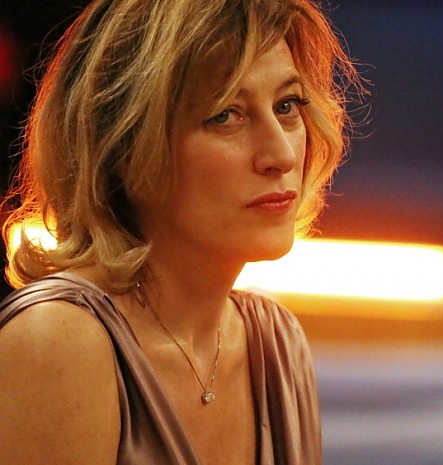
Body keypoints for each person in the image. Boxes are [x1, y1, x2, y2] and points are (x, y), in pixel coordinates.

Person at [0, 0, 360, 463]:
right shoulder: (58, 341)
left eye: (287, 106)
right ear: (125, 144)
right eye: (225, 114)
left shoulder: (277, 342)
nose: (281, 154)